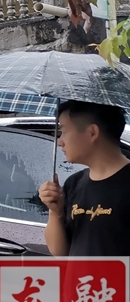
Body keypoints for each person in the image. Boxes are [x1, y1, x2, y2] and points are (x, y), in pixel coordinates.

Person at [39, 100, 130, 257]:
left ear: (92, 133)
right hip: (81, 282)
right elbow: (60, 252)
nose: (60, 142)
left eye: (64, 131)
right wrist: (55, 212)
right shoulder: (73, 184)